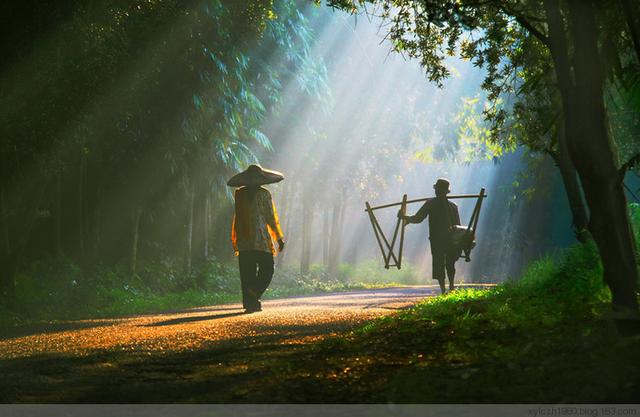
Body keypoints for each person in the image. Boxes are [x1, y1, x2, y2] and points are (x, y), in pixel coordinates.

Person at [228, 164, 285, 313]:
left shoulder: (239, 194)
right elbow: (271, 218)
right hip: (260, 240)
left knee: (247, 273)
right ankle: (254, 296)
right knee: (268, 269)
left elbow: (238, 218)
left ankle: (250, 302)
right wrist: (278, 237)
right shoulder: (264, 194)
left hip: (244, 240)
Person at [399, 178, 461, 294]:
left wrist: (405, 218)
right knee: (448, 263)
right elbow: (458, 226)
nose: (437, 191)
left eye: (439, 189)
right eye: (437, 189)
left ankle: (448, 288)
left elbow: (418, 218)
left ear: (443, 191)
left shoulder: (432, 203)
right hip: (448, 240)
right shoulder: (451, 206)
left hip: (439, 240)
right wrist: (406, 218)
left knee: (443, 263)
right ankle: (448, 288)